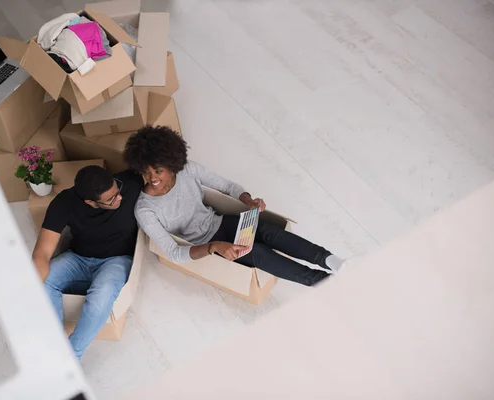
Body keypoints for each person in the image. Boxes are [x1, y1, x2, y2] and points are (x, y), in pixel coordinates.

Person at [123, 126, 345, 288]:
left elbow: (228, 186)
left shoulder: (187, 170)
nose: (152, 177)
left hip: (223, 223)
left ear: (171, 164)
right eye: (146, 171)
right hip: (207, 245)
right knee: (258, 253)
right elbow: (174, 252)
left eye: (158, 170)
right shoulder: (145, 210)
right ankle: (322, 282)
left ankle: (332, 261)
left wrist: (248, 201)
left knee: (267, 230)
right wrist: (214, 247)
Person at [31, 165, 143, 359]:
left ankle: (70, 356)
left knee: (101, 297)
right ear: (91, 202)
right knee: (43, 282)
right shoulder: (64, 202)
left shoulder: (130, 184)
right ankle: (55, 345)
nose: (120, 198)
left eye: (117, 191)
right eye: (111, 199)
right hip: (77, 259)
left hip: (117, 260)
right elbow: (41, 254)